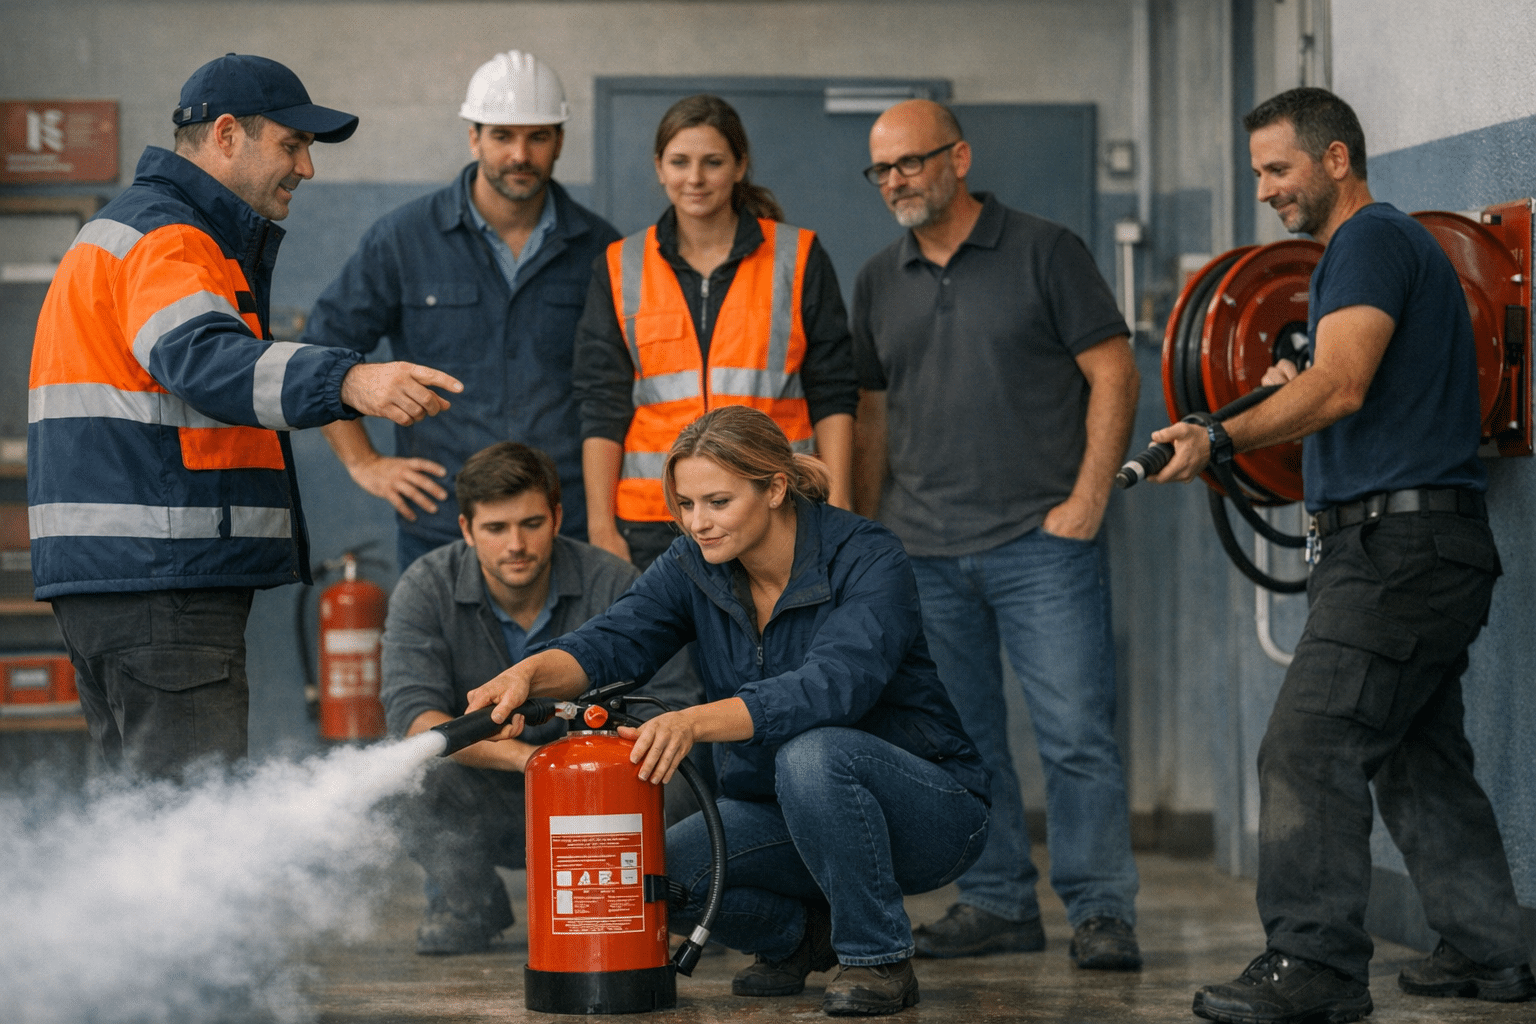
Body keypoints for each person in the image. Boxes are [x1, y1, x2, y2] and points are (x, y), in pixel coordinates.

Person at [1150, 87, 1534, 1022]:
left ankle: (1315, 964)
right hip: (1423, 546)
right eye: (1257, 174)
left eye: (1278, 168)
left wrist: (1218, 435)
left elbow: (1343, 386)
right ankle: (1494, 948)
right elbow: (1349, 380)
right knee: (1417, 758)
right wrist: (1290, 383)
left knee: (1306, 747)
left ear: (1335, 159)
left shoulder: (1367, 240)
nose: (1265, 190)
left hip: (1397, 550)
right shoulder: (1377, 253)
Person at [466, 406, 990, 1017]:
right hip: (782, 810)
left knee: (814, 754)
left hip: (929, 814)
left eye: (718, 502)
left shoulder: (867, 555)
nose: (699, 523)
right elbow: (612, 642)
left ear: (775, 488)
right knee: (653, 880)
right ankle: (801, 937)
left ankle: (877, 957)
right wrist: (526, 675)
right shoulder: (692, 563)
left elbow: (834, 686)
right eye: (686, 505)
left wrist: (692, 722)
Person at [27, 53, 462, 781]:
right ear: (227, 134)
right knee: (189, 818)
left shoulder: (131, 230)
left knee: (154, 816)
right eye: (292, 146)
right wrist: (350, 379)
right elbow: (204, 359)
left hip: (126, 581)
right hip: (162, 582)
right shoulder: (170, 237)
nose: (306, 169)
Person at [849, 99, 1143, 969]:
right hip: (922, 550)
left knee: (1076, 734)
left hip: (1041, 542)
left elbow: (1115, 373)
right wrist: (866, 535)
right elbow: (871, 417)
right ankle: (998, 899)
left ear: (959, 157)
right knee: (963, 741)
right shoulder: (878, 278)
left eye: (910, 162)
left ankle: (1101, 908)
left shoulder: (1047, 250)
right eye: (881, 169)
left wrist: (1089, 499)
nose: (895, 181)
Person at [301, 50, 621, 569]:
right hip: (443, 526)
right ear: (474, 138)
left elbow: (617, 391)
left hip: (564, 524)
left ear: (560, 141)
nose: (520, 154)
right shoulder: (404, 239)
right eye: (502, 136)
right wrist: (365, 463)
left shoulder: (601, 249)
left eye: (538, 136)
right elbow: (321, 350)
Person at [382, 441, 699, 955]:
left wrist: (585, 768)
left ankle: (661, 905)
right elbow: (416, 721)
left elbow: (673, 705)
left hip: (606, 798)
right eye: (495, 528)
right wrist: (534, 762)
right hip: (499, 797)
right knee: (407, 777)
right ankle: (471, 904)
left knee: (675, 772)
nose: (516, 544)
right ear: (466, 529)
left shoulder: (614, 581)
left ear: (557, 518)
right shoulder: (426, 587)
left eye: (531, 523)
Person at [573, 94, 858, 572]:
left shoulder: (797, 257)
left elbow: (834, 390)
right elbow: (601, 403)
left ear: (740, 166)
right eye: (679, 162)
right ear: (659, 168)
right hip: (657, 520)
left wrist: (841, 504)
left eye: (713, 162)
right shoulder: (621, 266)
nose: (695, 178)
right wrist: (601, 526)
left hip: (774, 507)